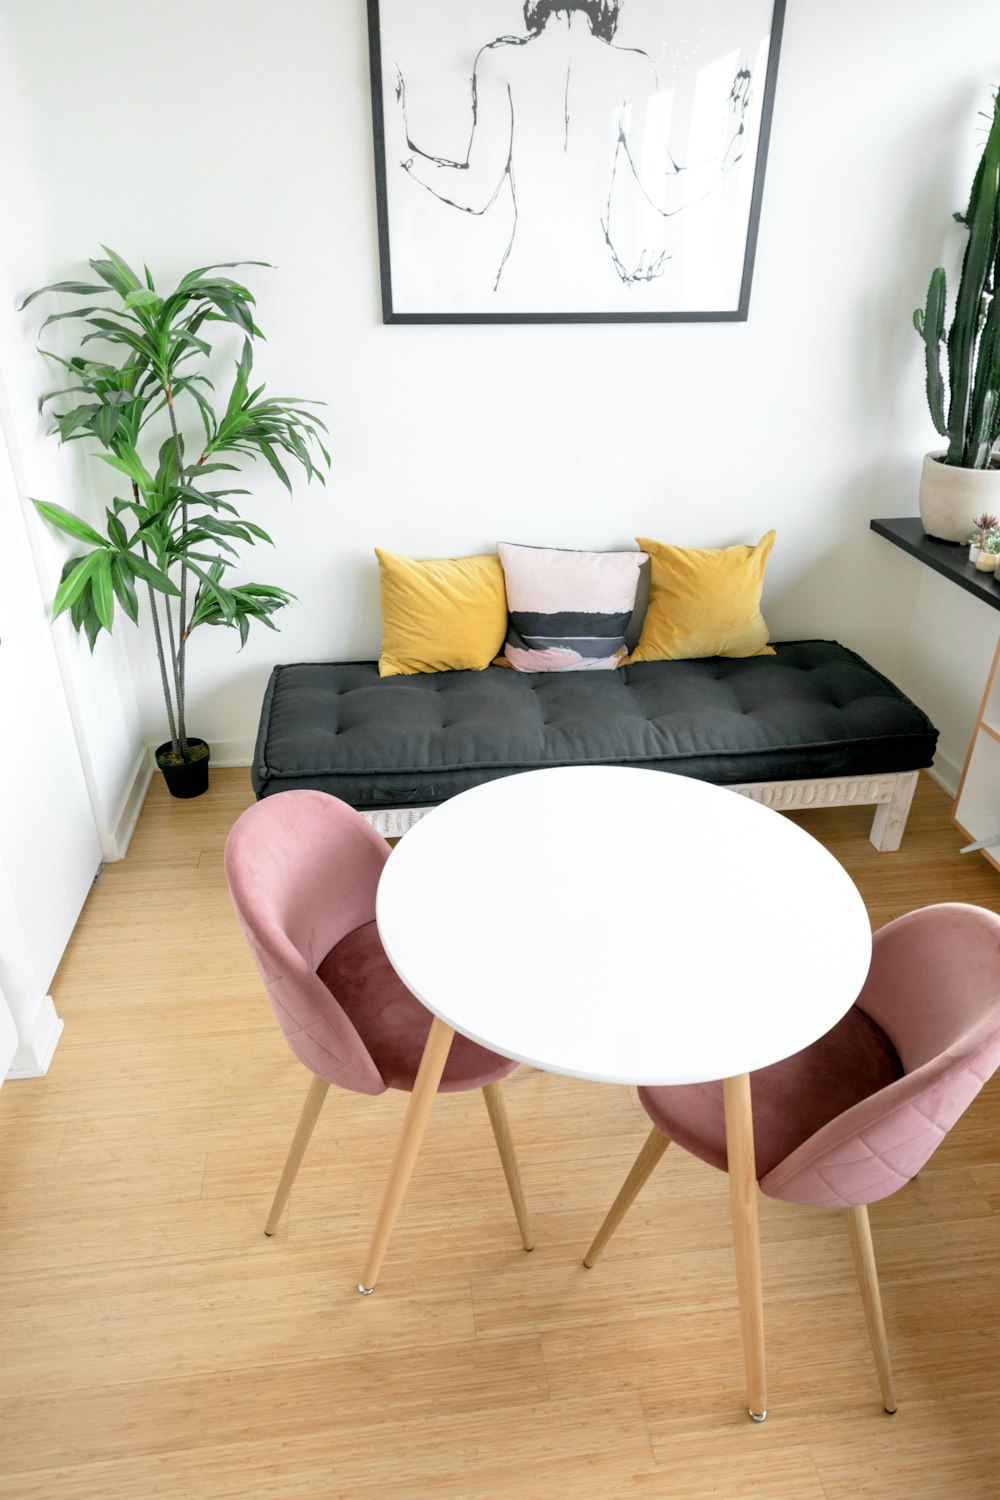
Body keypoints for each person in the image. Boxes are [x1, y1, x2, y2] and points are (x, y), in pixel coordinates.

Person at [391, 0, 752, 302]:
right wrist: (729, 151)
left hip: (522, 276)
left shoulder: (500, 62)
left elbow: (476, 194)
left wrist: (403, 151)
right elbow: (665, 196)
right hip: (596, 278)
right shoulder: (632, 67)